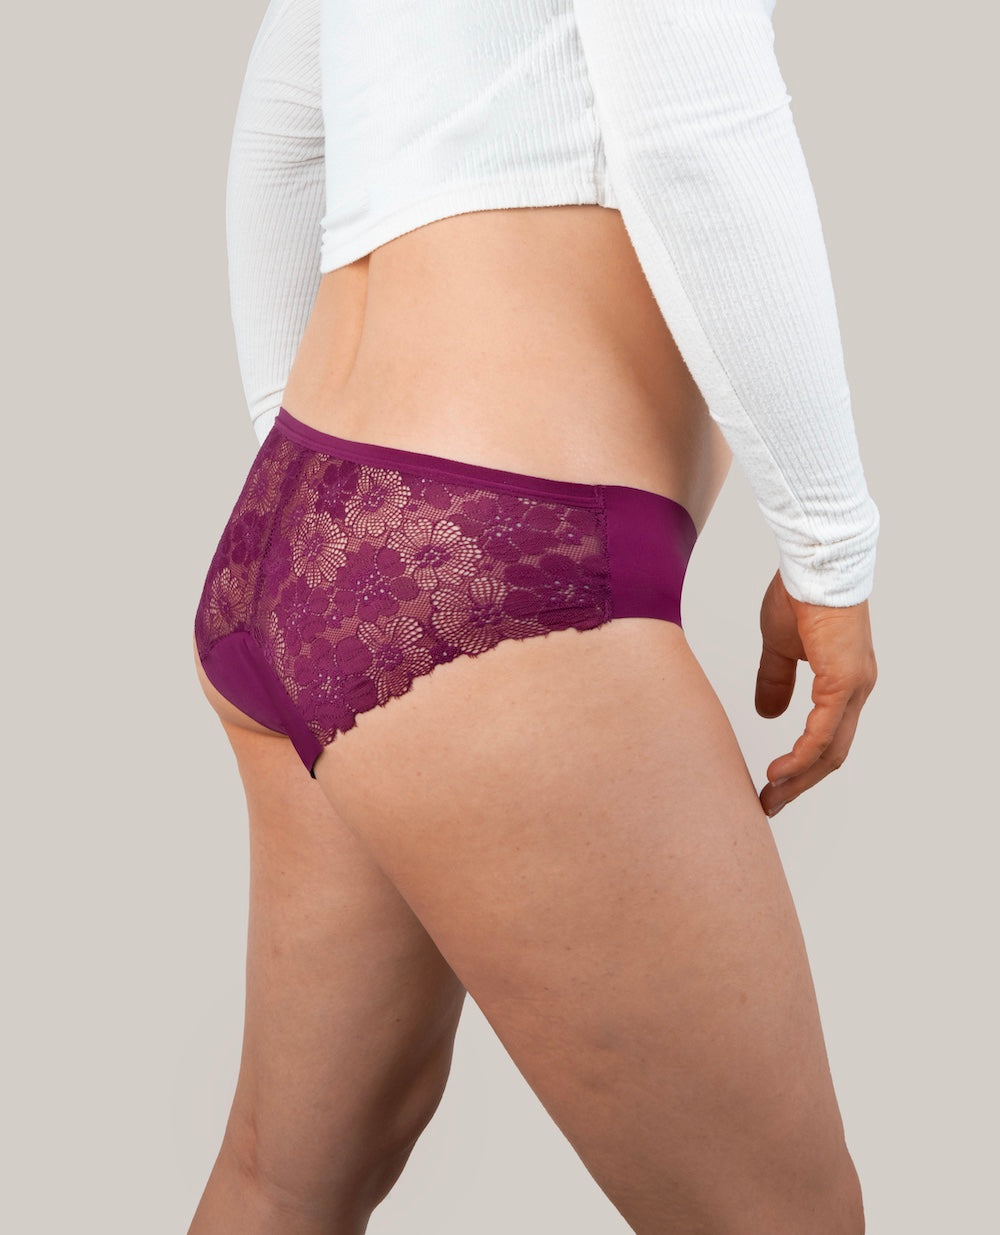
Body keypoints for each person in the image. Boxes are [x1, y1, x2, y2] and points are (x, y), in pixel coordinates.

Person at [187, 0, 879, 1231]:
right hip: (495, 556)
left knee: (283, 1183)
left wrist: (329, 526)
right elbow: (693, 130)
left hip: (304, 517)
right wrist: (829, 548)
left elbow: (284, 136)